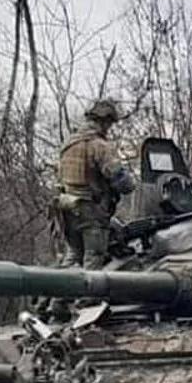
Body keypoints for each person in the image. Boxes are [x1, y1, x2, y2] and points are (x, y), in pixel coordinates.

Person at [55, 98, 137, 271]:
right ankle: (87, 299)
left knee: (72, 259)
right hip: (91, 212)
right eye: (109, 123)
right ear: (105, 121)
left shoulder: (68, 145)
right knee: (93, 261)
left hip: (67, 209)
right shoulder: (99, 146)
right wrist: (132, 183)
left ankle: (58, 297)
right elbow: (121, 181)